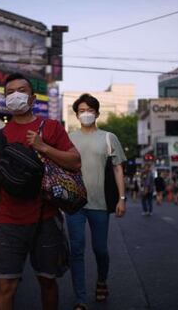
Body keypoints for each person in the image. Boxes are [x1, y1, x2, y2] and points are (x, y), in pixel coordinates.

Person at [0, 73, 81, 310]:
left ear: (33, 98)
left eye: (21, 90)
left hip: (46, 220)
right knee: (5, 287)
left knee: (47, 282)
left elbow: (75, 161)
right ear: (5, 100)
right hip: (8, 222)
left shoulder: (52, 127)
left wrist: (43, 146)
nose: (16, 95)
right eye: (10, 92)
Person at [68, 93, 127, 310]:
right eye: (82, 110)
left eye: (90, 110)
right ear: (76, 114)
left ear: (97, 113)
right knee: (76, 250)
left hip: (100, 204)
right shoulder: (69, 138)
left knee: (100, 249)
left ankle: (102, 280)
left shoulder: (108, 138)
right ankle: (80, 299)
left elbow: (118, 168)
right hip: (74, 204)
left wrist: (122, 198)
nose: (86, 114)